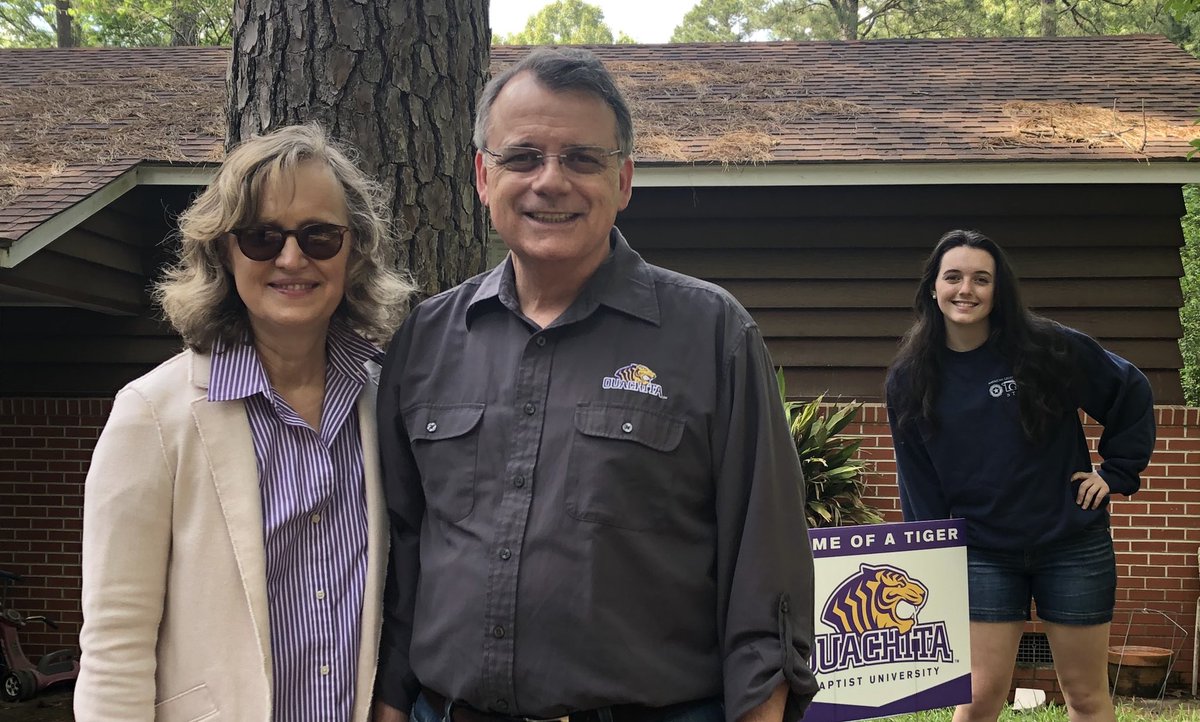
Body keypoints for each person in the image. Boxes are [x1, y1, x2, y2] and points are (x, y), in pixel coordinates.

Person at [373, 48, 818, 722]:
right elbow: (402, 558)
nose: (551, 182)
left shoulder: (711, 337)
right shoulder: (426, 342)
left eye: (583, 159)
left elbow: (768, 571)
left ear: (625, 180)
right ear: (483, 177)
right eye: (522, 157)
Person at [75, 123, 413, 721]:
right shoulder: (153, 417)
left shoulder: (388, 400)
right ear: (224, 252)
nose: (291, 258)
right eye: (261, 237)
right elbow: (114, 646)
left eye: (319, 236)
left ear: (354, 250)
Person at [885, 229, 1155, 722]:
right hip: (983, 551)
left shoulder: (1045, 348)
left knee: (1086, 696)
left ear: (998, 290)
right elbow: (917, 482)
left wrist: (1116, 472)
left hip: (1071, 543)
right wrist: (928, 562)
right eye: (954, 277)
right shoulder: (910, 378)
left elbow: (1130, 390)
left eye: (981, 279)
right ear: (933, 288)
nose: (966, 289)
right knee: (980, 697)